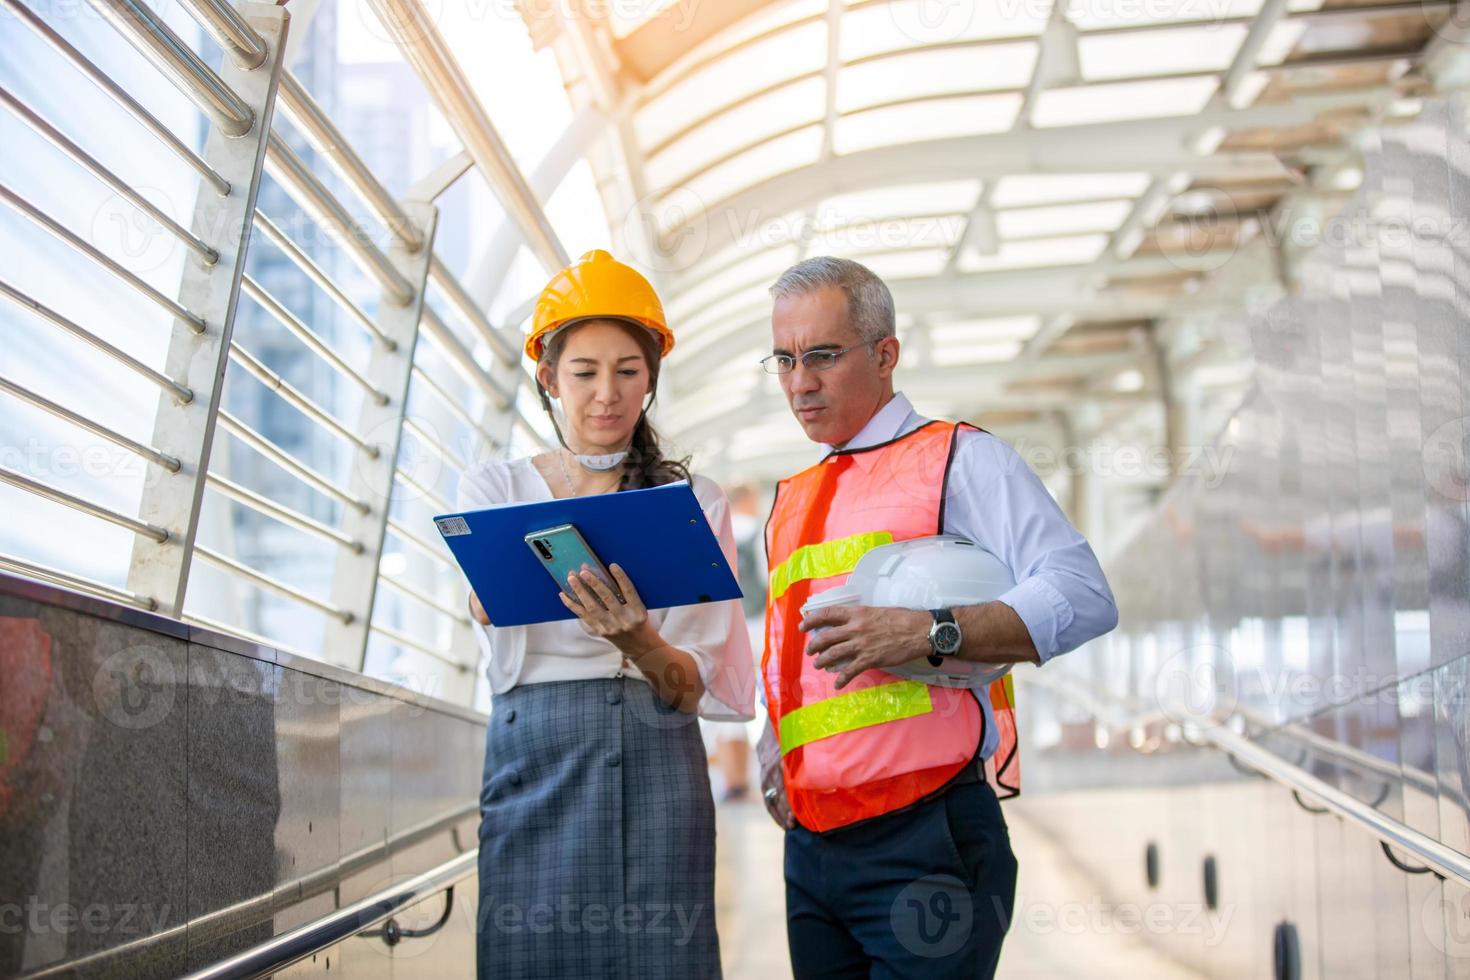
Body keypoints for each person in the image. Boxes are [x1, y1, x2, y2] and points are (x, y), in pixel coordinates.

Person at [755, 256, 1119, 978]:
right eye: (786, 360)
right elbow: (793, 658)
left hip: (926, 840)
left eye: (822, 356)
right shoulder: (791, 496)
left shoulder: (960, 459)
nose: (800, 383)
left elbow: (1083, 595)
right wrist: (775, 752)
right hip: (813, 848)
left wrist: (929, 631)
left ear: (885, 353)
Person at [457, 249, 755, 979]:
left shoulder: (696, 504)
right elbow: (484, 605)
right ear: (549, 379)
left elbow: (690, 689)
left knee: (664, 962)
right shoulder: (496, 486)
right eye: (584, 372)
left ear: (651, 378)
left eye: (628, 370)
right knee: (530, 958)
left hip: (657, 753)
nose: (606, 394)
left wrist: (640, 639)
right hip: (535, 761)